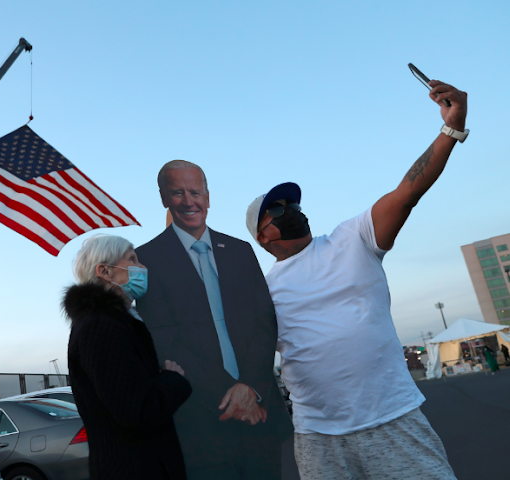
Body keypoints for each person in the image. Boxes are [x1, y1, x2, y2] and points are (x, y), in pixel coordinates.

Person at [245, 79, 467, 479]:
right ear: (263, 236)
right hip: (317, 437)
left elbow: (406, 194)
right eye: (276, 210)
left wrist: (450, 129)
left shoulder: (353, 238)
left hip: (392, 420)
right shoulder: (262, 292)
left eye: (291, 203)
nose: (290, 210)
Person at [136, 160, 292, 480]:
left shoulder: (240, 251)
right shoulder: (146, 259)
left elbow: (264, 322)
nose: (189, 201)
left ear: (208, 197)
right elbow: (164, 339)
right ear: (164, 198)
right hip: (202, 426)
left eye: (196, 192)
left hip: (261, 416)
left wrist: (250, 388)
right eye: (178, 193)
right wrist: (231, 395)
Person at [64, 234, 192, 480]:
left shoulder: (113, 322)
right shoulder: (101, 326)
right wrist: (172, 379)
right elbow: (137, 413)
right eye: (132, 259)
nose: (142, 267)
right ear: (105, 271)